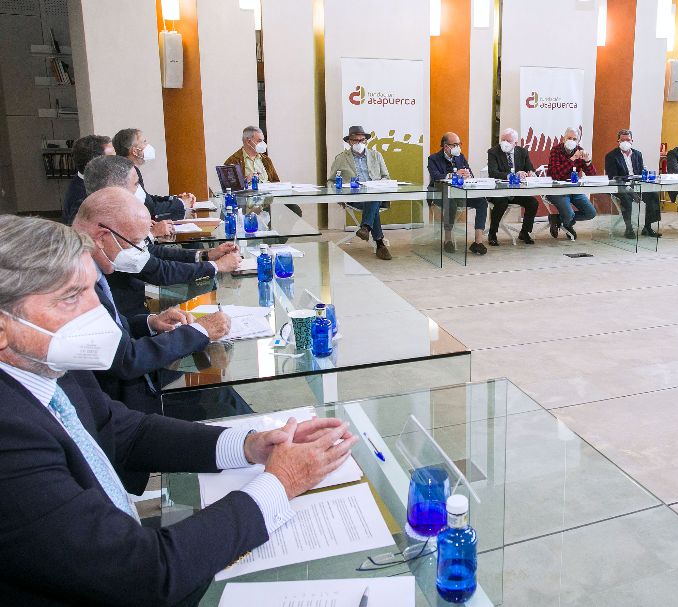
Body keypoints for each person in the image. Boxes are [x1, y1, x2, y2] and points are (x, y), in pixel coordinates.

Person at [0, 215, 359, 605]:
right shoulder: (10, 438)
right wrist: (280, 483)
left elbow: (127, 431)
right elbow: (144, 574)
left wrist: (250, 445)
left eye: (91, 290)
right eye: (71, 297)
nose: (97, 312)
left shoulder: (48, 366)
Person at [73, 189, 236, 415]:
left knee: (223, 392)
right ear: (102, 237)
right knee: (223, 405)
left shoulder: (92, 267)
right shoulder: (74, 282)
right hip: (123, 404)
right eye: (137, 243)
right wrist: (200, 330)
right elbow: (125, 359)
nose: (141, 251)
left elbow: (114, 328)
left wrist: (150, 322)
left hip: (134, 382)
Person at [83, 155, 242, 318]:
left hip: (139, 313)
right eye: (136, 184)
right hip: (131, 315)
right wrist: (216, 266)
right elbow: (159, 271)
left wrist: (205, 255)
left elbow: (149, 251)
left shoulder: (108, 217)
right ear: (114, 189)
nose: (141, 190)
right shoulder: (110, 227)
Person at [327, 125, 393, 260]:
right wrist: (337, 194)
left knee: (373, 196)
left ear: (366, 141)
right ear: (349, 142)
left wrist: (380, 184)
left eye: (362, 140)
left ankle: (366, 228)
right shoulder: (341, 158)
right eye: (355, 141)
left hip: (375, 195)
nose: (359, 143)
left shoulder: (376, 155)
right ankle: (379, 243)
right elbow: (331, 181)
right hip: (354, 197)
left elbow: (386, 177)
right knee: (373, 202)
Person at [427, 132, 490, 255]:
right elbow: (435, 177)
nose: (458, 147)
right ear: (446, 146)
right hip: (441, 194)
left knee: (482, 202)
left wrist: (467, 175)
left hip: (461, 193)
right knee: (451, 203)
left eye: (459, 144)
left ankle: (478, 242)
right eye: (455, 144)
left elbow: (470, 173)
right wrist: (453, 175)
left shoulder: (460, 157)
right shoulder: (433, 158)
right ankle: (448, 239)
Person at [113, 128, 193, 220]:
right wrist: (181, 203)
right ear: (135, 151)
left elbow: (147, 199)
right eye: (144, 142)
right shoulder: (128, 173)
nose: (148, 145)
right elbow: (150, 207)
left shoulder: (131, 169)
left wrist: (174, 199)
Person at [603, 129, 662, 238]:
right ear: (618, 141)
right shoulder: (611, 156)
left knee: (653, 194)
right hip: (619, 186)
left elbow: (640, 172)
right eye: (622, 140)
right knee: (626, 198)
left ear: (632, 141)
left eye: (628, 140)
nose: (625, 142)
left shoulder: (637, 154)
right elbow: (613, 177)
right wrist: (630, 190)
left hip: (636, 185)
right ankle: (629, 228)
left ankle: (647, 227)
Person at [486, 128, 537, 245]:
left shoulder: (522, 152)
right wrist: (512, 175)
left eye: (508, 141)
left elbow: (530, 169)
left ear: (515, 143)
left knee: (533, 203)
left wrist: (530, 173)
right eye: (502, 140)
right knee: (502, 202)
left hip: (516, 191)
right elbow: (493, 173)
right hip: (498, 190)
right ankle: (492, 233)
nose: (504, 143)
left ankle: (525, 232)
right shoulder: (493, 152)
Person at [546, 127, 598, 240]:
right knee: (569, 214)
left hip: (574, 189)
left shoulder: (580, 150)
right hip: (556, 189)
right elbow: (556, 174)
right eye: (569, 138)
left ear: (578, 141)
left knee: (591, 213)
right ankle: (568, 223)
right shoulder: (556, 150)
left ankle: (557, 219)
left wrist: (588, 161)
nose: (571, 141)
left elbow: (592, 176)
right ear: (564, 139)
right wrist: (573, 158)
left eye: (575, 139)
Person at [63, 134, 114, 224]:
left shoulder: (91, 181)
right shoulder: (82, 198)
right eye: (112, 158)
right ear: (96, 165)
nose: (118, 162)